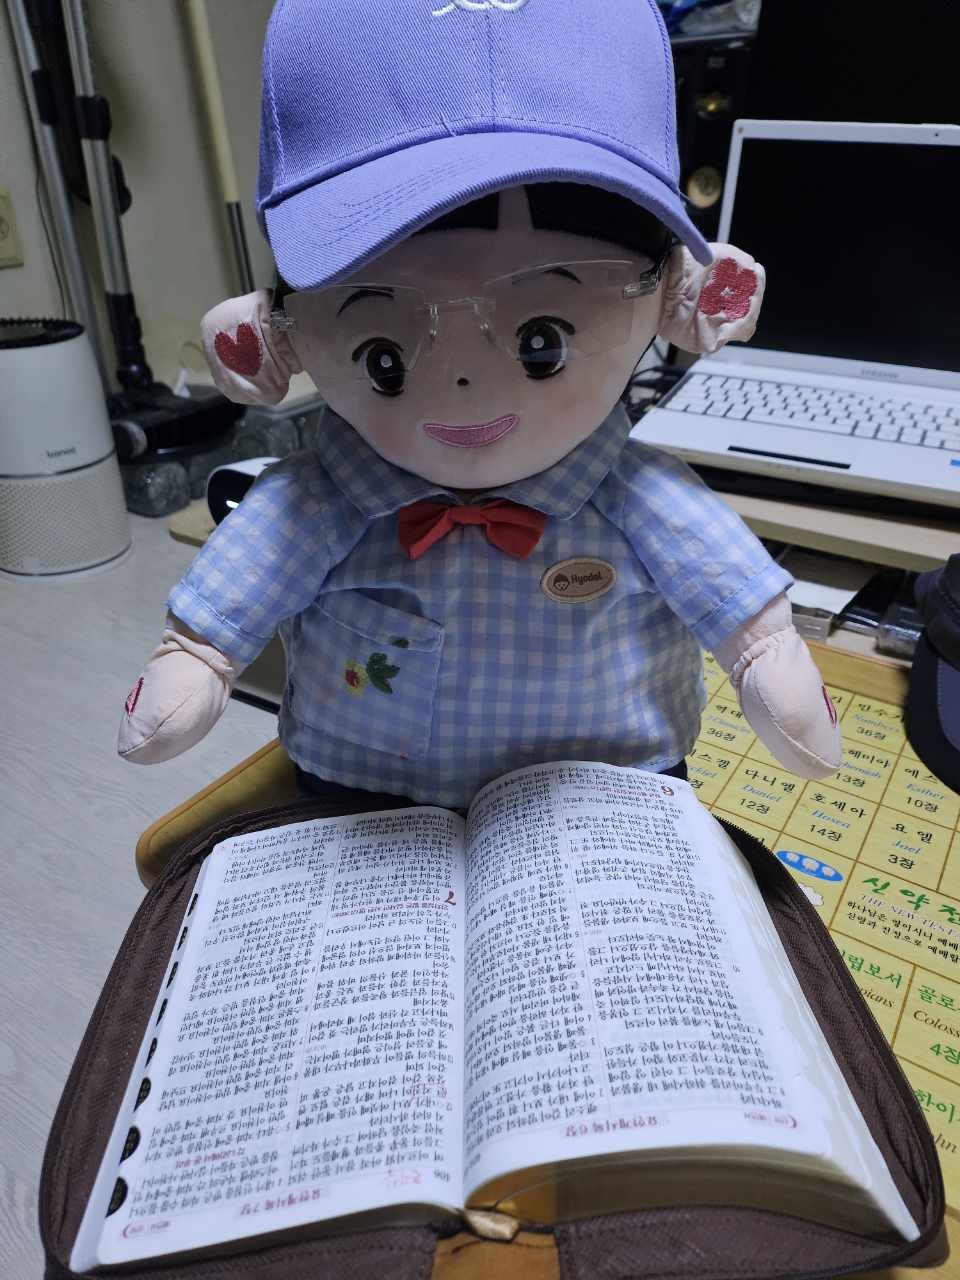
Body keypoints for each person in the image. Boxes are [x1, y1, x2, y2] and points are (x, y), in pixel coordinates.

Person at [118, 0, 841, 806]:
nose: (463, 387)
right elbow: (222, 618)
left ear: (682, 296)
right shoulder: (317, 503)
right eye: (385, 358)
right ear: (270, 333)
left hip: (609, 799)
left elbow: (744, 617)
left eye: (541, 343)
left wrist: (766, 656)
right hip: (357, 798)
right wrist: (196, 656)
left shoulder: (639, 501)